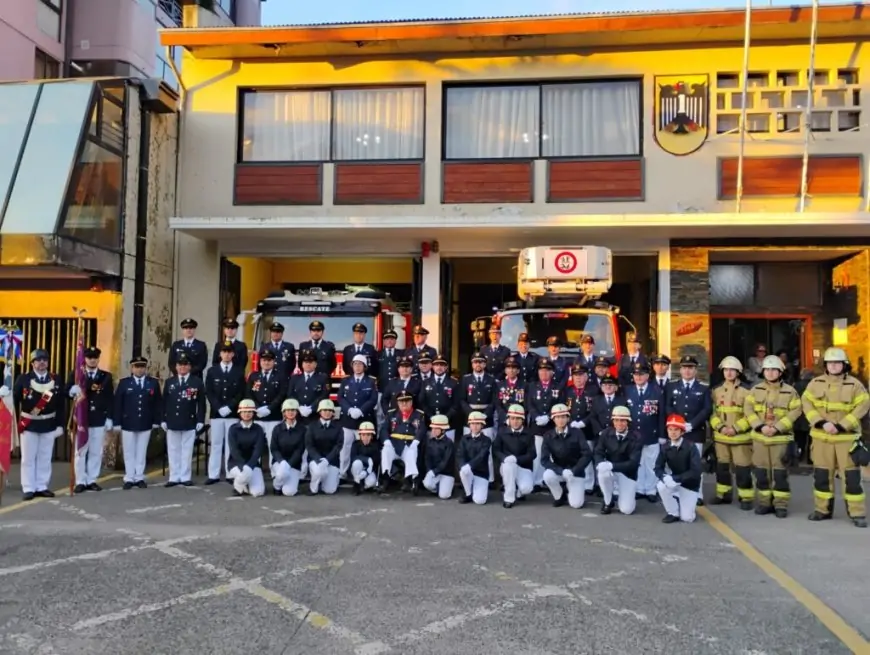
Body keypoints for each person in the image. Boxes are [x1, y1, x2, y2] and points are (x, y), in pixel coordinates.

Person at [802, 347, 870, 528]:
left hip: (846, 439)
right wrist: (821, 423)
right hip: (821, 438)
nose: (833, 366)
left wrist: (842, 425)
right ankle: (822, 510)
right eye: (830, 363)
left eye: (837, 363)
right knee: (822, 477)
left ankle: (857, 513)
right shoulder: (814, 383)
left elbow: (862, 407)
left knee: (852, 479)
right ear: (825, 365)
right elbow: (807, 405)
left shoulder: (855, 385)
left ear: (844, 365)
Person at [743, 355, 802, 518]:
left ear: (780, 372)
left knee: (780, 474)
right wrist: (760, 426)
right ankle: (764, 503)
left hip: (780, 440)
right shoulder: (755, 390)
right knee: (761, 473)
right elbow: (748, 410)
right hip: (760, 439)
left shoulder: (790, 392)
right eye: (767, 370)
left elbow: (795, 412)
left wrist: (777, 427)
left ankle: (780, 505)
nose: (770, 373)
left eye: (773, 370)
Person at [5, 349, 65, 500]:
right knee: (28, 458)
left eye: (45, 359)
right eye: (39, 360)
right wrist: (5, 396)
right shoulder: (23, 379)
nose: (42, 362)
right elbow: (15, 400)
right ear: (32, 363)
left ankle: (42, 486)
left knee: (45, 457)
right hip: (29, 424)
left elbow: (60, 405)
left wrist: (60, 425)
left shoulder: (56, 379)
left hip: (49, 423)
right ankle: (28, 487)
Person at [66, 346, 115, 493]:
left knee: (96, 451)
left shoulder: (105, 376)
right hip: (81, 418)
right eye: (89, 357)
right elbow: (66, 392)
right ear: (84, 359)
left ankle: (92, 479)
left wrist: (109, 417)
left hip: (98, 418)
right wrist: (71, 390)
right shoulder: (76, 375)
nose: (92, 360)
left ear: (98, 359)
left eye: (95, 357)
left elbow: (109, 398)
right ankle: (80, 480)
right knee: (80, 451)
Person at [666, 355, 712, 505]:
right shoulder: (672, 386)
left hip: (695, 431)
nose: (687, 371)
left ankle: (697, 493)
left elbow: (706, 409)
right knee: (676, 463)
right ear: (680, 369)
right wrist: (677, 423)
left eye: (690, 368)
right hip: (676, 431)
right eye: (685, 367)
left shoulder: (703, 387)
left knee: (695, 463)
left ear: (695, 370)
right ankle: (677, 492)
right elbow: (668, 406)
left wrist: (692, 424)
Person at [709, 356, 753, 509]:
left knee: (743, 469)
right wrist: (720, 427)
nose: (728, 373)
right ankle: (723, 495)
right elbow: (712, 413)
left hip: (741, 438)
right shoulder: (716, 390)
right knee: (722, 469)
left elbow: (751, 415)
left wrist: (735, 428)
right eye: (726, 370)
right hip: (721, 438)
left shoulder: (747, 391)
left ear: (738, 372)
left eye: (732, 370)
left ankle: (746, 498)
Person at [113, 356, 162, 490]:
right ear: (132, 368)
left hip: (145, 421)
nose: (139, 369)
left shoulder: (152, 383)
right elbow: (118, 404)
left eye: (142, 367)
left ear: (146, 368)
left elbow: (158, 403)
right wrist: (116, 422)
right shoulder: (124, 383)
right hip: (128, 422)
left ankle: (139, 476)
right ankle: (129, 477)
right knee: (129, 451)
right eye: (137, 366)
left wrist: (157, 420)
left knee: (141, 451)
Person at [160, 353, 206, 487]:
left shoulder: (196, 382)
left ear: (190, 367)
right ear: (176, 366)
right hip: (173, 420)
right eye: (180, 364)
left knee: (187, 450)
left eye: (185, 364)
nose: (182, 367)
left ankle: (185, 476)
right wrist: (163, 419)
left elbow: (201, 403)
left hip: (189, 420)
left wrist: (200, 420)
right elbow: (164, 402)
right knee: (173, 450)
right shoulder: (170, 382)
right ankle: (174, 476)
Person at [204, 341, 246, 485]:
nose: (227, 354)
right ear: (220, 354)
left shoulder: (239, 371)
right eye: (224, 352)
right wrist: (217, 407)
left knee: (231, 444)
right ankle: (213, 474)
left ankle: (230, 473)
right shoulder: (212, 371)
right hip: (217, 413)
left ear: (233, 354)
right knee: (215, 444)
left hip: (232, 413)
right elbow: (209, 391)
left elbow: (241, 392)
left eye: (229, 352)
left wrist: (230, 406)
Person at [624, 362, 664, 503]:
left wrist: (662, 434)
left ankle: (651, 490)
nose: (638, 377)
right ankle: (640, 488)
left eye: (641, 374)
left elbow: (661, 414)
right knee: (637, 462)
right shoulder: (628, 390)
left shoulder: (656, 390)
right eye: (636, 374)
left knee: (651, 463)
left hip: (651, 433)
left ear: (647, 375)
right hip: (634, 434)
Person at [541, 403, 593, 509]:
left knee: (576, 504)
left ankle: (571, 488)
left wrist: (574, 470)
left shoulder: (577, 433)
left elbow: (587, 454)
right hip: (559, 470)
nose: (561, 420)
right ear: (553, 419)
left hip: (575, 472)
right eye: (558, 417)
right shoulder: (548, 435)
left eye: (563, 417)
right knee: (547, 475)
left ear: (568, 418)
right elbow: (544, 460)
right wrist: (560, 471)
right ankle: (559, 496)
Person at [594, 405, 643, 516]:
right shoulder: (606, 433)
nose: (619, 424)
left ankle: (624, 496)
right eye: (616, 420)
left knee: (627, 510)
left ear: (628, 422)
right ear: (613, 421)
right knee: (602, 473)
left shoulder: (637, 437)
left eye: (623, 420)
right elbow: (598, 451)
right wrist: (600, 463)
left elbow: (633, 463)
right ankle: (608, 501)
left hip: (627, 474)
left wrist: (612, 465)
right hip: (611, 471)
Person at [655, 414, 703, 523]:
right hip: (674, 482)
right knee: (661, 486)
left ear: (682, 432)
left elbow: (696, 471)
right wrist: (664, 477)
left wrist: (676, 479)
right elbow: (657, 467)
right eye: (670, 429)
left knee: (687, 518)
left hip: (689, 485)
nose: (672, 432)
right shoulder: (665, 447)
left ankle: (682, 500)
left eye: (676, 430)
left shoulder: (691, 447)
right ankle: (673, 512)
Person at [246, 349, 287, 471]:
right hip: (258, 416)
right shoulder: (253, 376)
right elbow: (248, 393)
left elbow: (282, 394)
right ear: (260, 361)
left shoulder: (281, 376)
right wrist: (257, 408)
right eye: (264, 360)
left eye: (269, 360)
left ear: (274, 362)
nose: (266, 363)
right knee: (255, 445)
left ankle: (274, 471)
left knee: (273, 446)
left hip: (273, 416)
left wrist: (270, 408)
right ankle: (255, 469)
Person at [526, 359, 565, 487]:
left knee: (553, 454)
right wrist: (537, 416)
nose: (544, 373)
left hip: (552, 424)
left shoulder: (558, 386)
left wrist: (549, 416)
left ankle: (551, 480)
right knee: (537, 454)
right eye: (541, 370)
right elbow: (529, 404)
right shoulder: (532, 386)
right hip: (537, 426)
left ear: (552, 372)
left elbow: (560, 403)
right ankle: (537, 481)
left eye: (547, 370)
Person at [337, 354, 378, 477]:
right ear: (352, 366)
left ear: (364, 367)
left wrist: (361, 410)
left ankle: (363, 473)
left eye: (360, 364)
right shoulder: (345, 380)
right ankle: (343, 473)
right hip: (347, 421)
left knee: (364, 449)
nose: (357, 367)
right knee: (345, 448)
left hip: (364, 421)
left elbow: (373, 399)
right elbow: (340, 397)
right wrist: (349, 409)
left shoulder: (371, 381)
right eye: (355, 364)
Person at [378, 391, 427, 492]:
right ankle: (385, 480)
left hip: (409, 444)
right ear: (398, 403)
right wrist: (387, 441)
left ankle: (412, 481)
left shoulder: (418, 415)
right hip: (394, 444)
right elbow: (384, 429)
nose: (404, 404)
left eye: (407, 401)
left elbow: (422, 429)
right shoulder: (392, 414)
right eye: (401, 401)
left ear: (411, 402)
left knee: (411, 454)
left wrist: (416, 441)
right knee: (386, 451)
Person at [492, 404, 535, 508]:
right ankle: (509, 497)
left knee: (527, 489)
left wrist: (517, 459)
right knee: (509, 466)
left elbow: (532, 454)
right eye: (512, 418)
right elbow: (495, 449)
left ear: (522, 420)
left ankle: (518, 489)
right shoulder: (502, 431)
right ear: (509, 419)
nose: (515, 421)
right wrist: (504, 458)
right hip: (507, 465)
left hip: (523, 466)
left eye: (518, 419)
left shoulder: (529, 433)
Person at [227, 399, 266, 497]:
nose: (247, 414)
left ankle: (244, 484)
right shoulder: (233, 429)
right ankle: (238, 485)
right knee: (245, 474)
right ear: (240, 413)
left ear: (253, 413)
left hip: (253, 464)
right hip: (236, 464)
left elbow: (258, 450)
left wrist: (249, 466)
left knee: (258, 492)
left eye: (249, 411)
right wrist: (243, 465)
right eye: (244, 411)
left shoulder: (258, 429)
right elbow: (234, 450)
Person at [305, 399, 343, 495]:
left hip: (331, 461)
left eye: (330, 410)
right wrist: (318, 459)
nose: (327, 412)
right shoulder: (312, 426)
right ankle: (313, 488)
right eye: (324, 410)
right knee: (319, 471)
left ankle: (327, 480)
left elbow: (338, 446)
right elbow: (309, 445)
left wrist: (327, 460)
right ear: (319, 411)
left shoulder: (338, 427)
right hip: (316, 460)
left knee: (329, 490)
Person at [270, 399, 307, 497]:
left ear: (297, 412)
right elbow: (274, 448)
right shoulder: (277, 429)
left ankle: (285, 484)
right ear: (284, 412)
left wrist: (289, 464)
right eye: (288, 410)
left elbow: (300, 450)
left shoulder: (303, 429)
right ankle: (276, 486)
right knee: (282, 472)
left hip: (294, 464)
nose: (290, 412)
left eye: (293, 410)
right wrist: (282, 462)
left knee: (289, 492)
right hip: (279, 462)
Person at [417, 355, 458, 440]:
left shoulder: (453, 383)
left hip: (448, 424)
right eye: (436, 365)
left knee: (448, 449)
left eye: (442, 365)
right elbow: (422, 402)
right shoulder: (425, 382)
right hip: (430, 423)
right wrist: (430, 416)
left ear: (446, 367)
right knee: (431, 450)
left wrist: (446, 417)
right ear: (432, 366)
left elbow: (456, 404)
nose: (439, 367)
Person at [457, 412, 492, 505]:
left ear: (482, 425)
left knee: (480, 501)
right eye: (472, 424)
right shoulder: (464, 439)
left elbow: (481, 455)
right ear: (469, 425)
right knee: (463, 471)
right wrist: (463, 466)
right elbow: (460, 455)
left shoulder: (487, 440)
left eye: (477, 424)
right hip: (468, 472)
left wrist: (470, 465)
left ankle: (474, 490)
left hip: (481, 473)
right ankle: (468, 493)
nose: (475, 426)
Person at [422, 414, 455, 500]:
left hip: (446, 473)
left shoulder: (449, 443)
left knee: (444, 496)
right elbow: (427, 458)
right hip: (434, 472)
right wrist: (429, 470)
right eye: (432, 428)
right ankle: (438, 487)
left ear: (443, 430)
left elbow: (446, 461)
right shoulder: (430, 441)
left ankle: (447, 486)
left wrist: (434, 471)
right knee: (426, 483)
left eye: (436, 428)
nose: (433, 430)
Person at [349, 422, 380, 495]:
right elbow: (353, 457)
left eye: (368, 435)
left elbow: (377, 460)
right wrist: (367, 459)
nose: (365, 437)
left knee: (371, 482)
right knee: (357, 463)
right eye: (363, 435)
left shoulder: (376, 446)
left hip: (369, 470)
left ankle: (362, 484)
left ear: (372, 436)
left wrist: (366, 472)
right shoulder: (355, 444)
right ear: (360, 435)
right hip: (357, 469)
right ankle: (356, 484)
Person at [494, 356, 526, 426]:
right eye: (508, 368)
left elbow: (526, 405)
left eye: (514, 368)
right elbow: (498, 404)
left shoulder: (525, 385)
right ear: (505, 370)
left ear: (518, 371)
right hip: (504, 422)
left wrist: (518, 418)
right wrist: (506, 418)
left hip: (520, 421)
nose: (511, 370)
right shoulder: (499, 385)